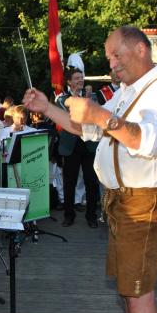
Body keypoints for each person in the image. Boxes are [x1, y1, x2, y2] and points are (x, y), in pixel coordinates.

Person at [24, 25, 157, 313]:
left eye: (116, 55)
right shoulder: (130, 91)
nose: (111, 63)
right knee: (129, 292)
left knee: (139, 293)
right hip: (123, 202)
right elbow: (89, 129)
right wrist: (48, 108)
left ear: (141, 49)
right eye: (109, 56)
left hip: (144, 203)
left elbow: (147, 141)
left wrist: (99, 114)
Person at [55, 52, 101, 228]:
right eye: (76, 78)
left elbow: (95, 113)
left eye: (81, 77)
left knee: (91, 181)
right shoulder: (62, 98)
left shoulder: (93, 96)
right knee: (70, 181)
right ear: (69, 82)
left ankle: (91, 215)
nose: (80, 80)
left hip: (89, 144)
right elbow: (72, 108)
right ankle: (69, 215)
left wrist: (88, 98)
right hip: (70, 145)